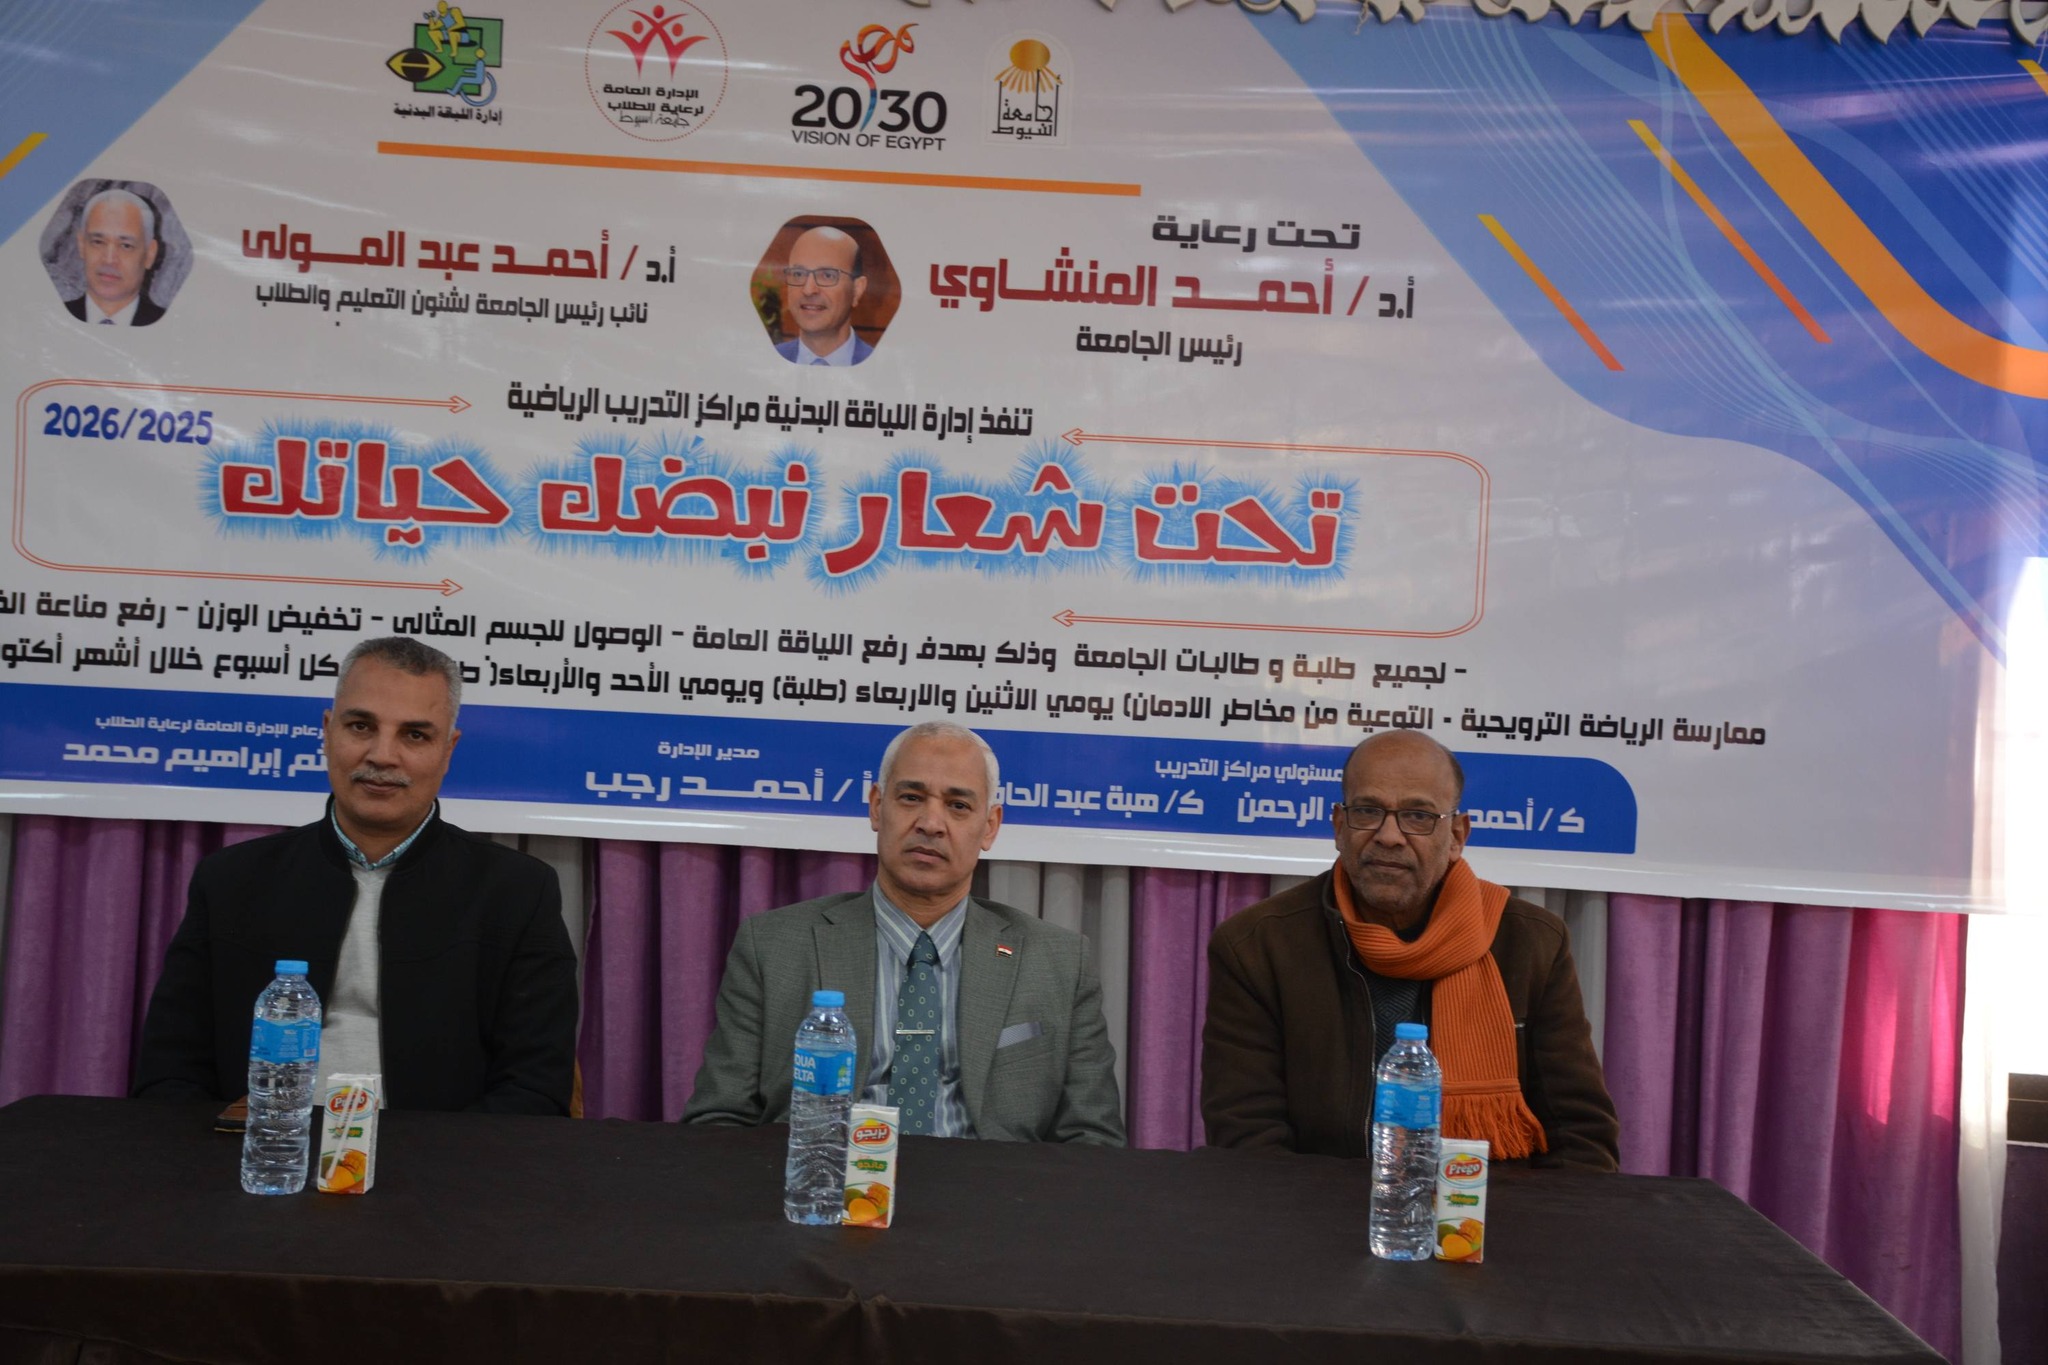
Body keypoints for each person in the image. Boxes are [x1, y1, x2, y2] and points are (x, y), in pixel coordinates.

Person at [132, 637, 579, 1114]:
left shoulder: (517, 891)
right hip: (262, 1149)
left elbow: (535, 1087)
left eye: (414, 735)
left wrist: (443, 1154)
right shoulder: (230, 880)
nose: (382, 756)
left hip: (441, 1155)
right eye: (361, 726)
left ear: (448, 750)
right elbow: (169, 1073)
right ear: (327, 732)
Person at [685, 721, 1123, 1142]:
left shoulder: (1058, 962)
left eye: (958, 806)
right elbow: (718, 1121)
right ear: (877, 807)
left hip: (993, 1186)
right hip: (824, 1179)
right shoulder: (774, 947)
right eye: (911, 797)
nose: (931, 823)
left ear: (989, 826)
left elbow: (1092, 1137)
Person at [1202, 730, 1619, 1168]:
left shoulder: (1530, 943)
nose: (1389, 836)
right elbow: (1247, 1140)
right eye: (1368, 811)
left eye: (1418, 816)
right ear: (1339, 826)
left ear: (1456, 835)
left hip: (1487, 1206)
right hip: (1308, 1204)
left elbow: (1581, 1138)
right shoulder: (1257, 947)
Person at [773, 224, 873, 366]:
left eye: (827, 275)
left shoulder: (885, 370)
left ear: (857, 290)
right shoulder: (763, 363)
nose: (808, 290)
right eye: (798, 274)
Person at [66, 188, 165, 327]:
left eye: (126, 246)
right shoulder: (50, 315)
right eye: (98, 242)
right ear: (82, 246)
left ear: (150, 254)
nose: (109, 260)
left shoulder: (173, 328)